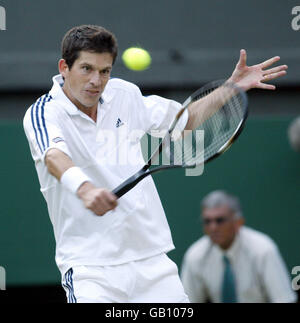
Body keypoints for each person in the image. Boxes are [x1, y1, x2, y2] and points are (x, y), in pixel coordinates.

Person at [23, 24, 287, 303]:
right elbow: (53, 155)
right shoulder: (44, 113)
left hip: (153, 263)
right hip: (91, 269)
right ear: (64, 67)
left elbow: (185, 121)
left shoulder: (124, 94)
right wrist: (85, 189)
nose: (96, 81)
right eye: (86, 69)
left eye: (105, 71)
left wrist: (232, 87)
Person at [181, 190, 297, 303]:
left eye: (220, 220)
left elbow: (284, 299)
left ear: (238, 222)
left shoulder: (263, 250)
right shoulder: (195, 256)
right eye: (207, 221)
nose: (213, 228)